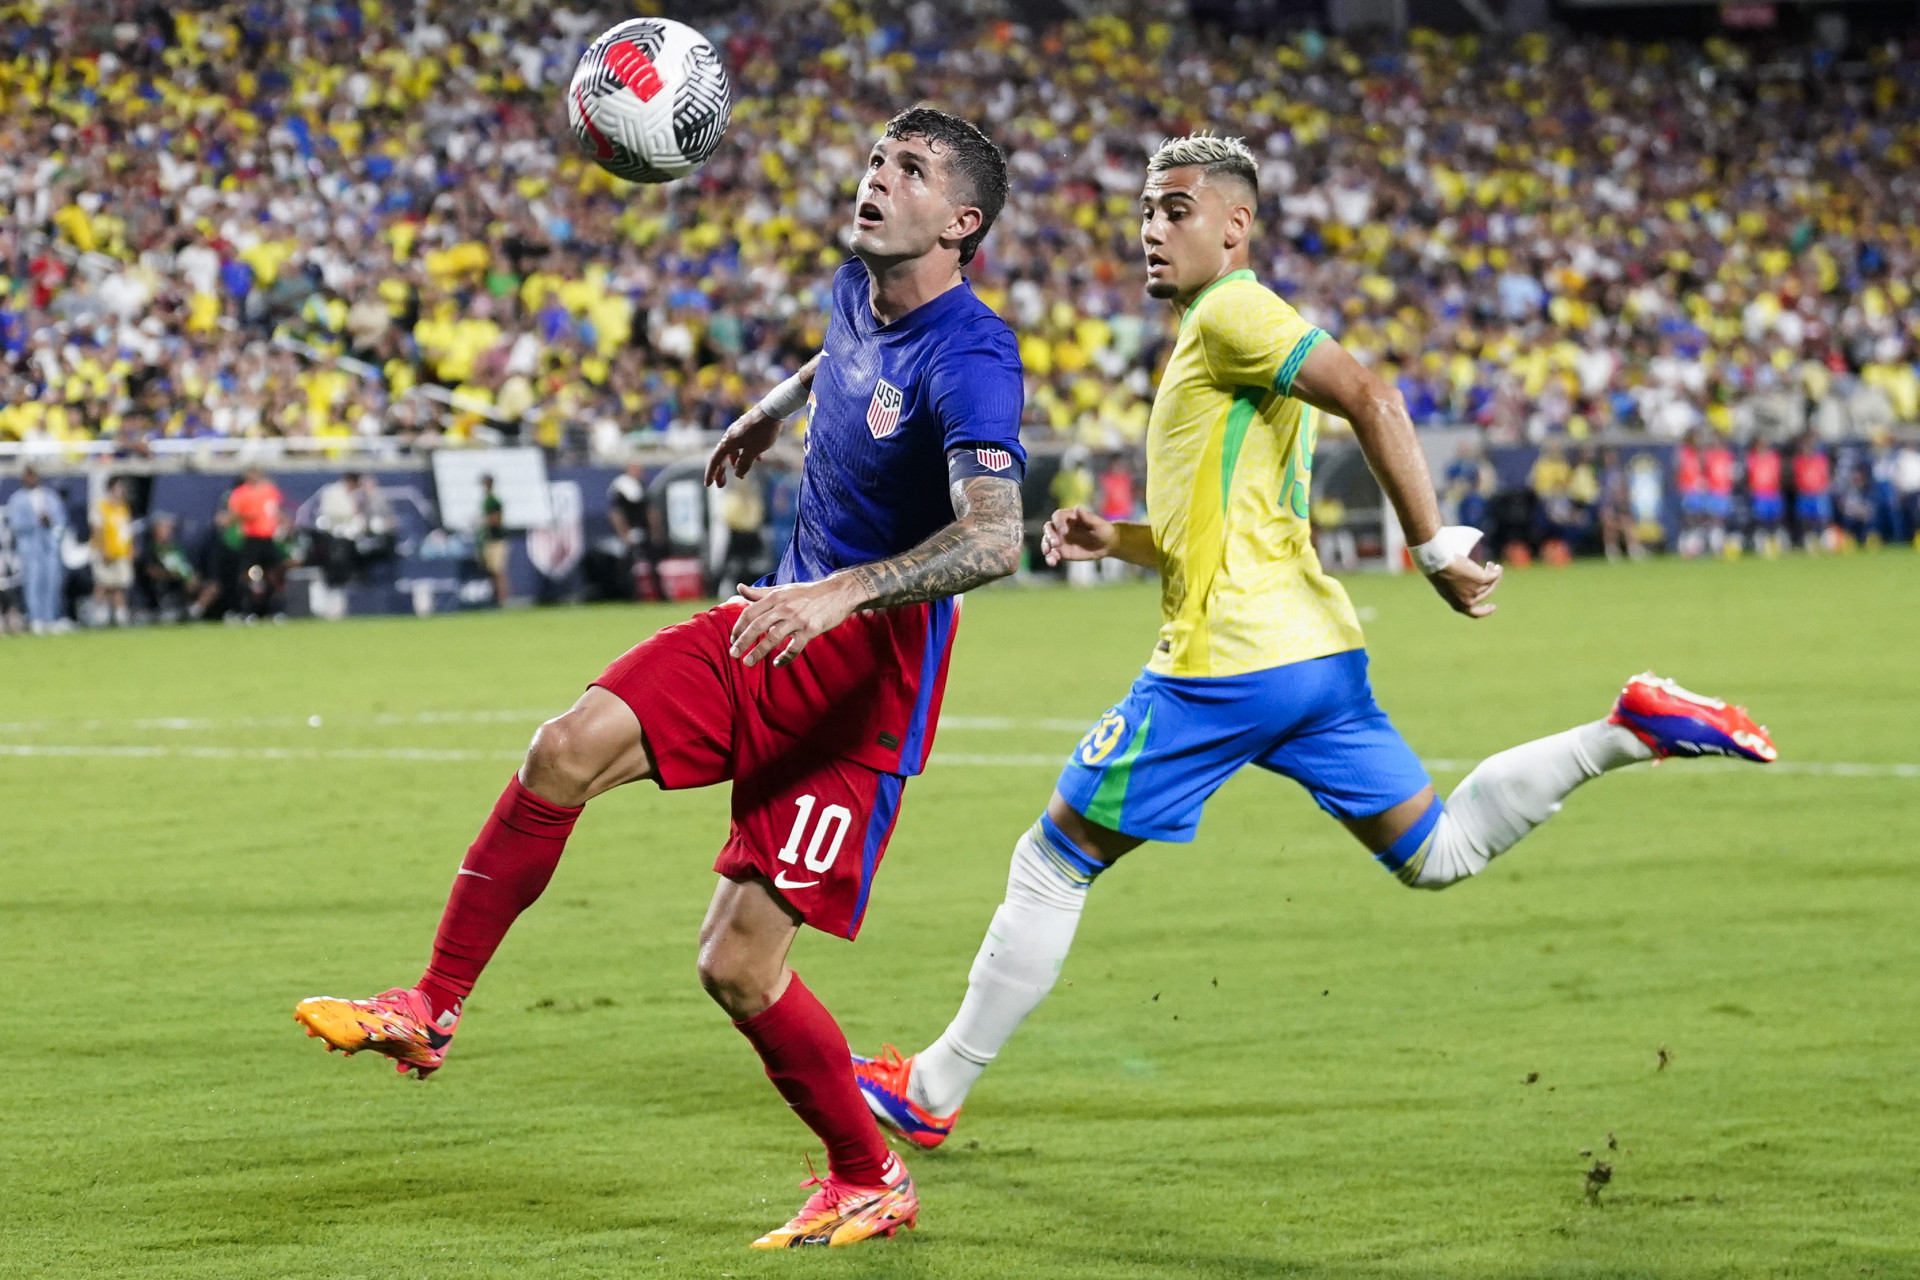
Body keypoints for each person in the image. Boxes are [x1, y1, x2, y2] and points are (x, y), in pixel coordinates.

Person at [849, 133, 1778, 1152]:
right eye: (1147, 211)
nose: (1152, 230)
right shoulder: (1213, 337)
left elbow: (1372, 395)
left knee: (1052, 857)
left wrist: (1431, 546)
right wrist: (1111, 539)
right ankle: (1626, 728)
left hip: (1226, 665)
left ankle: (931, 1089)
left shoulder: (1233, 312)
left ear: (1235, 225)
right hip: (1314, 658)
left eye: (1177, 209)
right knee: (1440, 851)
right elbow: (1219, 531)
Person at [294, 107, 1025, 1250]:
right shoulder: (855, 285)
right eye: (879, 157)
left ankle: (869, 1172)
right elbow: (840, 353)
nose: (878, 177)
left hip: (859, 687)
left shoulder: (976, 355)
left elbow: (994, 537)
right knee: (564, 746)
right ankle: (428, 1005)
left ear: (962, 221)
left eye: (912, 170)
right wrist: (766, 414)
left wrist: (840, 592)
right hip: (766, 628)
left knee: (737, 968)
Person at [6, 466, 69, 634]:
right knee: (32, 583)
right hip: (30, 548)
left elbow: (61, 522)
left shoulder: (50, 496)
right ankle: (36, 619)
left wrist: (52, 526)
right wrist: (35, 521)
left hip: (49, 547)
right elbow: (15, 525)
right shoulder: (17, 499)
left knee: (52, 582)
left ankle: (51, 618)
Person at [226, 467, 284, 615]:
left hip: (268, 537)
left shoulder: (269, 490)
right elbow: (232, 516)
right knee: (247, 574)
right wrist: (246, 516)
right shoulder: (240, 493)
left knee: (274, 573)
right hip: (252, 538)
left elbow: (275, 511)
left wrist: (281, 523)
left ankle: (272, 608)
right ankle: (246, 608)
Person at [605, 461, 657, 600]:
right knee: (627, 566)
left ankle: (655, 594)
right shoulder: (621, 487)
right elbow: (615, 514)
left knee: (652, 564)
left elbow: (649, 511)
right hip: (630, 532)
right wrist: (624, 534)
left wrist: (653, 530)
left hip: (642, 531)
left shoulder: (640, 485)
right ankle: (627, 595)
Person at [90, 477, 136, 627]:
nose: (121, 491)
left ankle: (120, 616)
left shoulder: (123, 508)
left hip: (120, 552)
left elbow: (126, 531)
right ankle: (98, 615)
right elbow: (97, 530)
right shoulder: (101, 506)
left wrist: (130, 548)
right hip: (105, 552)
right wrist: (102, 550)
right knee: (103, 584)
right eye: (118, 487)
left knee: (119, 586)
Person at [473, 473, 510, 606]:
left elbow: (496, 520)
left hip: (496, 539)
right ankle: (495, 599)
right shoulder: (487, 500)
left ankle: (502, 600)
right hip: (489, 540)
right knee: (491, 571)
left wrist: (482, 521)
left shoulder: (493, 501)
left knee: (498, 570)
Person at [1746, 437, 1785, 557]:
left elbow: (1778, 475)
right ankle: (1760, 544)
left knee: (1774, 521)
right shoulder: (1751, 458)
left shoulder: (1773, 458)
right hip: (1759, 494)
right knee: (1760, 521)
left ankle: (1775, 544)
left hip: (1772, 494)